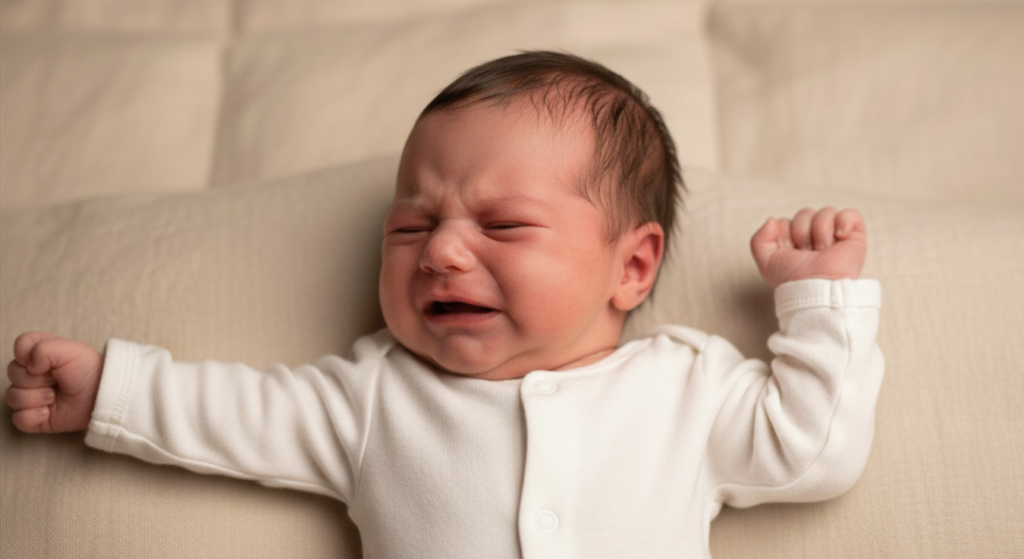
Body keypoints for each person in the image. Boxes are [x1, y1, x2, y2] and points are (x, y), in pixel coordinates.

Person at [5, 51, 883, 558]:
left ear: (633, 265)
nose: (442, 250)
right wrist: (109, 389)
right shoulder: (373, 395)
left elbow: (814, 448)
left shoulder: (686, 391)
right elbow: (231, 410)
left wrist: (817, 299)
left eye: (502, 223)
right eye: (409, 226)